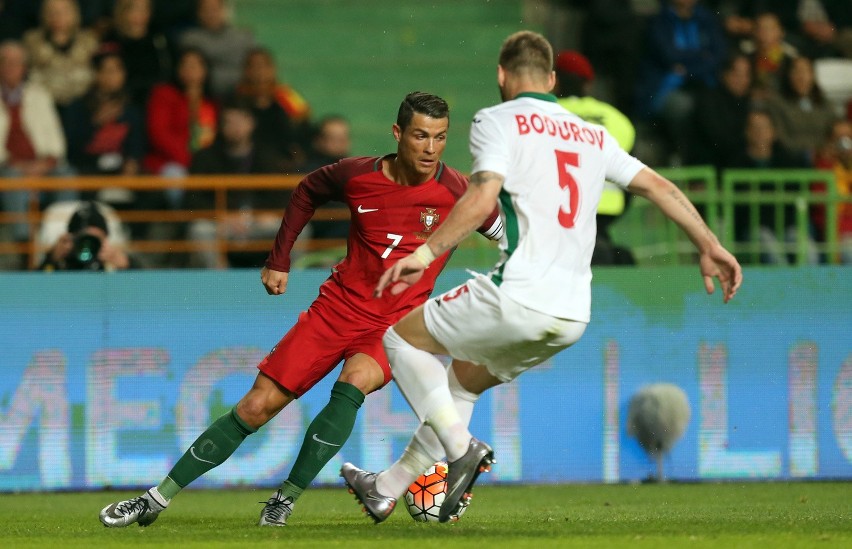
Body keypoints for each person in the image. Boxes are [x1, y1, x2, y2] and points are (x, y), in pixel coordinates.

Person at [340, 30, 742, 525]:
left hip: (518, 294)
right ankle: (386, 488)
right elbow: (658, 185)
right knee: (461, 384)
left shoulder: (498, 119)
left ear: (502, 76)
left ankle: (462, 451)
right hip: (572, 314)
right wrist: (709, 244)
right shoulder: (594, 135)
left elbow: (483, 194)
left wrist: (425, 254)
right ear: (552, 79)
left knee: (399, 340)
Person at [97, 91, 503, 528]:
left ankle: (284, 500)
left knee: (354, 383)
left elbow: (506, 236)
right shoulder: (357, 175)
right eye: (421, 136)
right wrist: (279, 258)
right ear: (398, 133)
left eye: (440, 138)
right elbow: (306, 192)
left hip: (395, 326)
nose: (430, 148)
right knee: (256, 406)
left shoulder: (459, 191)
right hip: (336, 309)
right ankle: (155, 499)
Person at [184, 97, 290, 268]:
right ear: (221, 126)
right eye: (229, 122)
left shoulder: (269, 157)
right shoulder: (205, 157)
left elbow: (282, 196)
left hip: (257, 222)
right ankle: (218, 283)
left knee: (297, 230)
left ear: (252, 123)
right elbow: (192, 201)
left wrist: (260, 214)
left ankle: (281, 279)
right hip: (222, 223)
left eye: (241, 120)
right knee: (200, 230)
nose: (236, 127)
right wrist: (222, 216)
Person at [553, 49, 636, 265]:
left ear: (554, 81)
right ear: (588, 84)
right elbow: (632, 176)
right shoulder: (617, 119)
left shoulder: (543, 116)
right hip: (608, 209)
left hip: (560, 212)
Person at [0, 39, 74, 243]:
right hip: (7, 167)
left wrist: (42, 165)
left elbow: (57, 142)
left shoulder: (39, 95)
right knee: (11, 178)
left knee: (67, 175)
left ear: (24, 67)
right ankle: (25, 243)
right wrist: (19, 166)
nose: (10, 67)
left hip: (43, 165)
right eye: (5, 61)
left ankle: (64, 238)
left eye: (16, 62)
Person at [233, 47, 312, 167]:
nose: (260, 72)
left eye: (264, 66)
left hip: (283, 164)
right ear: (246, 70)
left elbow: (304, 128)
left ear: (273, 69)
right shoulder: (236, 100)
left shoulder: (287, 97)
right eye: (254, 66)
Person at [22, 0, 99, 113]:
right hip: (43, 107)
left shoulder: (89, 41)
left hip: (84, 107)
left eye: (64, 11)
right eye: (52, 12)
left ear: (75, 13)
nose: (58, 16)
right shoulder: (32, 42)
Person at [178, 0, 255, 100]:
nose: (211, 14)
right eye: (206, 10)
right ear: (198, 13)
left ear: (225, 10)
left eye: (215, 9)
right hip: (202, 99)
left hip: (241, 97)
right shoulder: (189, 40)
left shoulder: (244, 38)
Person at [37, 200, 139, 271]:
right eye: (83, 239)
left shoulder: (111, 267)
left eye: (95, 239)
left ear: (105, 239)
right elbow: (34, 289)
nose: (88, 247)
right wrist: (52, 259)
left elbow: (146, 292)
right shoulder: (61, 263)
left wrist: (127, 266)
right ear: (71, 239)